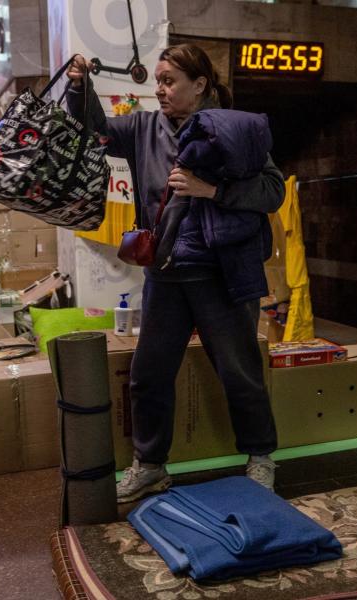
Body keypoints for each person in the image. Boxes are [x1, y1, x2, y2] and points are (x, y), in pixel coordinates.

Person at [66, 44, 283, 502]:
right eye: (158, 82)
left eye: (169, 82)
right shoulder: (144, 128)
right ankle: (150, 466)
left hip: (222, 274)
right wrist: (80, 87)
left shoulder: (236, 129)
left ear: (200, 84)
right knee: (149, 374)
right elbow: (94, 127)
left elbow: (272, 191)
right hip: (166, 273)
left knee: (239, 372)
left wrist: (213, 190)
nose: (159, 90)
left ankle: (261, 456)